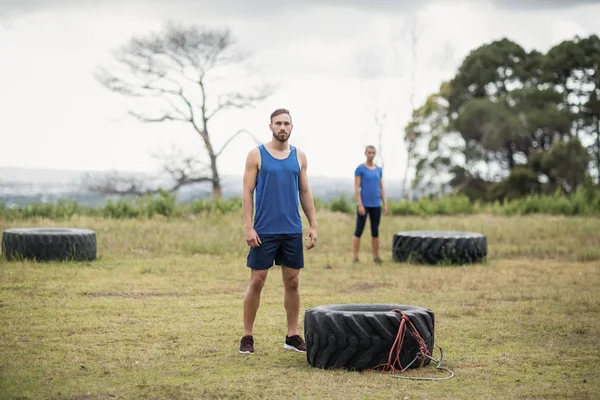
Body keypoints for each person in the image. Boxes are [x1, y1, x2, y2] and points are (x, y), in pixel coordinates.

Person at [239, 108, 318, 355]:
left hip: (291, 230)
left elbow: (304, 192)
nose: (282, 127)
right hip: (263, 231)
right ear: (270, 126)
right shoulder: (256, 155)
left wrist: (313, 224)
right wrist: (249, 227)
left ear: (291, 127)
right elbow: (247, 193)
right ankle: (247, 336)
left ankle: (292, 336)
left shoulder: (299, 157)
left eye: (286, 124)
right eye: (278, 123)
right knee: (257, 281)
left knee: (292, 282)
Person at [352, 145, 388, 264]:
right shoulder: (360, 169)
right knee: (359, 230)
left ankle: (376, 257)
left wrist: (385, 204)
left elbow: (381, 187)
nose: (371, 155)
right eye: (369, 152)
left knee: (375, 231)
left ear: (375, 154)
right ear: (365, 153)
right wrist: (360, 205)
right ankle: (355, 257)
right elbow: (357, 188)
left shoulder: (378, 170)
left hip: (376, 204)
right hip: (364, 205)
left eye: (373, 153)